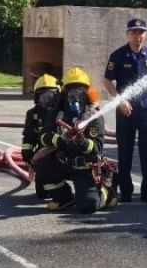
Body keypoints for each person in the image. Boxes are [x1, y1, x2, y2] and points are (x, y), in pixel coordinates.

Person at [37, 68, 118, 213]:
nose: (75, 97)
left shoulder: (94, 116)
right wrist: (58, 140)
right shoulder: (58, 113)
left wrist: (81, 141)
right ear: (64, 93)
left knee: (87, 206)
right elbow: (43, 136)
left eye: (79, 92)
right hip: (64, 163)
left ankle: (107, 192)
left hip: (85, 169)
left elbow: (97, 149)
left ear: (87, 93)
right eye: (71, 92)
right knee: (42, 164)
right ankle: (64, 198)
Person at [103, 18, 147, 203]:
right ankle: (126, 192)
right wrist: (120, 100)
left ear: (145, 34)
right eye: (134, 32)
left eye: (141, 32)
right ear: (128, 34)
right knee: (125, 152)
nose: (138, 36)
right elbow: (107, 81)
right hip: (125, 111)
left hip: (146, 111)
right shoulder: (118, 56)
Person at [22, 74, 60, 200]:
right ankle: (55, 187)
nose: (48, 100)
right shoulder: (32, 114)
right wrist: (27, 151)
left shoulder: (63, 111)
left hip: (64, 149)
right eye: (43, 96)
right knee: (42, 194)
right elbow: (29, 136)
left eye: (52, 95)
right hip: (44, 153)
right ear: (37, 97)